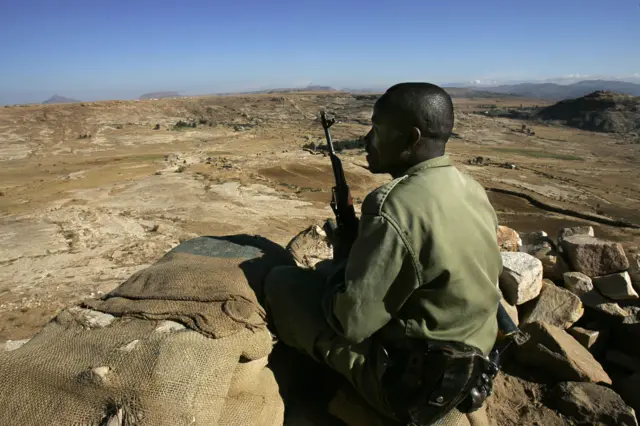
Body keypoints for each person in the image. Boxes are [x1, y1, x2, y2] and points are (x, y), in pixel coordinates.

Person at [264, 82, 503, 425]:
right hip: (472, 358)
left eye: (376, 129)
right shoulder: (471, 188)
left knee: (282, 283)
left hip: (412, 384)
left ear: (411, 137)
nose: (367, 139)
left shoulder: (393, 204)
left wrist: (342, 262)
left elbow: (351, 322)